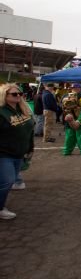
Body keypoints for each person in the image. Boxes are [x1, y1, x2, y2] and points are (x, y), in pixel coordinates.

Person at [0, 83, 34, 219]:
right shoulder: (1, 112)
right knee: (7, 181)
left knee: (11, 180)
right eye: (14, 94)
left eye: (20, 94)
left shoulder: (23, 110)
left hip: (19, 153)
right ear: (4, 95)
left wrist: (30, 148)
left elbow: (29, 131)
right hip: (3, 153)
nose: (18, 96)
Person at [61, 83, 81, 156]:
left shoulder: (65, 96)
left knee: (70, 137)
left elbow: (62, 107)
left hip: (69, 118)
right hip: (79, 119)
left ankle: (67, 151)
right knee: (80, 137)